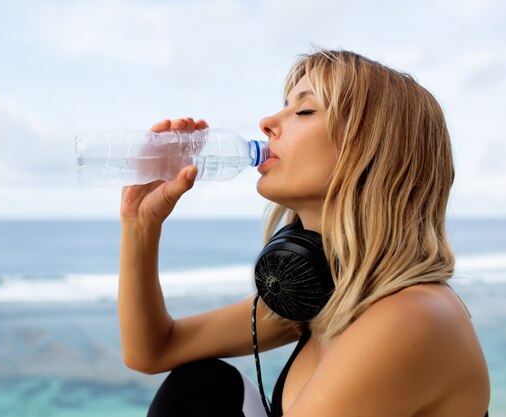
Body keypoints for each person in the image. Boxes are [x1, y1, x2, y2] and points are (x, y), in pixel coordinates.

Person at [118, 49, 491, 416]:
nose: (266, 122)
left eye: (305, 110)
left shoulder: (412, 317)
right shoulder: (323, 295)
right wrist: (140, 225)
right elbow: (153, 350)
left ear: (370, 151)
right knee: (202, 386)